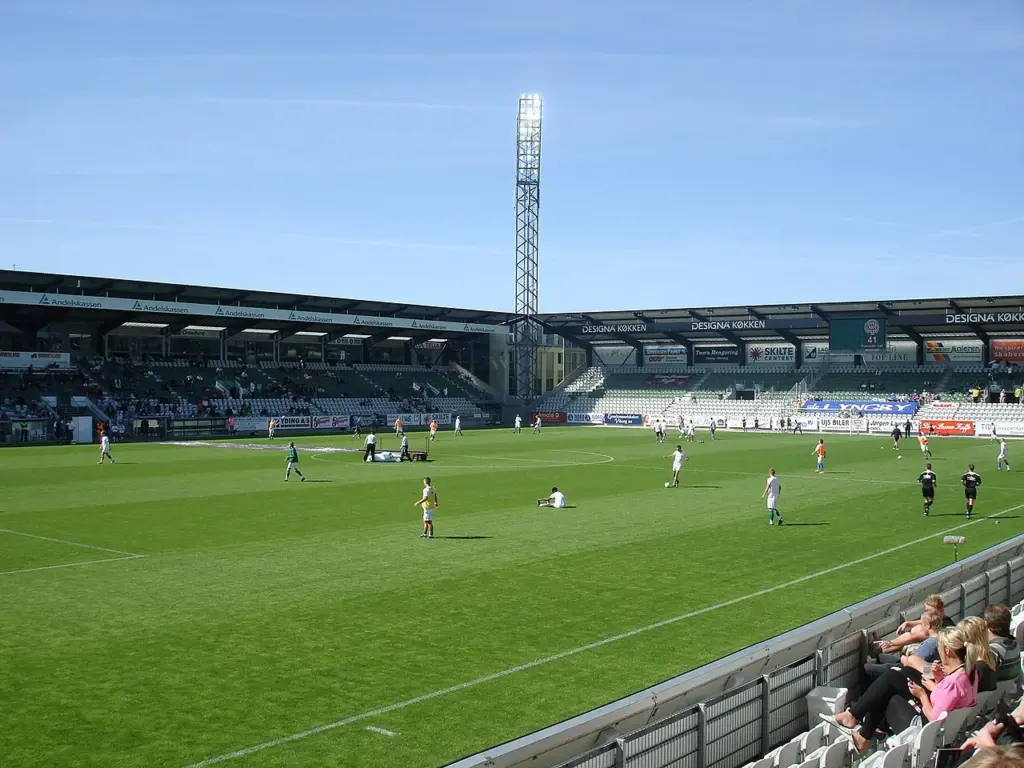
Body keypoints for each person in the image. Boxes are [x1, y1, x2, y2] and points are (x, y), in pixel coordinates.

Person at [824, 626, 977, 753]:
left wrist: (922, 695)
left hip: (923, 732)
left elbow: (935, 719)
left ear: (948, 651)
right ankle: (864, 728)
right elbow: (949, 699)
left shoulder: (954, 683)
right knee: (905, 673)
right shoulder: (968, 674)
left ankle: (861, 727)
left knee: (889, 692)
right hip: (941, 731)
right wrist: (937, 680)